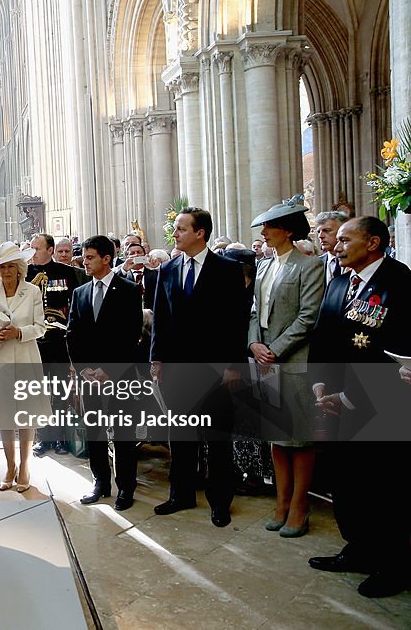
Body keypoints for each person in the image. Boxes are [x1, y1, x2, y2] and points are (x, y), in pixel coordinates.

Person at [307, 217, 411, 597]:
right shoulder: (339, 280)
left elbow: (397, 355)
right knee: (347, 484)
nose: (336, 244)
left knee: (383, 489)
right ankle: (359, 549)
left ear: (372, 243)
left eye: (345, 239)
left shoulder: (399, 283)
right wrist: (319, 386)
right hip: (335, 405)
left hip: (381, 409)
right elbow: (322, 338)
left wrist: (348, 398)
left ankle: (393, 565)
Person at [150, 207, 249, 527]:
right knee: (180, 436)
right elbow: (160, 320)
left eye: (180, 229)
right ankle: (181, 494)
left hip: (216, 370)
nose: (174, 235)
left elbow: (236, 323)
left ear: (200, 233)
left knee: (217, 439)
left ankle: (220, 502)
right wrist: (157, 358)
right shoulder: (167, 269)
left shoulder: (227, 269)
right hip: (178, 370)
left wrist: (234, 366)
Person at [248, 196, 325, 538]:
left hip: (293, 361)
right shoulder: (263, 266)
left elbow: (308, 317)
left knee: (300, 438)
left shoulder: (309, 265)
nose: (263, 232)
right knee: (276, 438)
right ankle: (280, 503)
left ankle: (299, 505)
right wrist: (254, 345)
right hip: (265, 362)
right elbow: (253, 312)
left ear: (287, 230)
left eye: (268, 226)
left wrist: (274, 349)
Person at [67, 236, 143, 510]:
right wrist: (86, 369)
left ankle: (126, 487)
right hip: (89, 378)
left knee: (123, 433)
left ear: (106, 259)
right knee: (95, 432)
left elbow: (131, 334)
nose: (84, 262)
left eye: (89, 258)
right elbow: (72, 335)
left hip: (119, 376)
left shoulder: (129, 290)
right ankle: (100, 483)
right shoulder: (80, 292)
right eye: (84, 258)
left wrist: (108, 371)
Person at [0, 242, 46, 492]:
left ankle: (25, 466)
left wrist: (20, 332)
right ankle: (10, 465)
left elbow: (40, 327)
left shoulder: (32, 291)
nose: (6, 272)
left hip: (25, 355)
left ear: (19, 268)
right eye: (2, 267)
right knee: (6, 415)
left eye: (10, 267)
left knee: (25, 414)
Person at [27, 233, 87, 456]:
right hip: (34, 343)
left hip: (59, 342)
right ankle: (44, 438)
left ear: (49, 250)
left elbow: (75, 305)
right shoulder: (26, 274)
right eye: (31, 248)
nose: (32, 252)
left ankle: (61, 437)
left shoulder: (67, 273)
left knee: (60, 391)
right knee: (38, 393)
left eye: (37, 248)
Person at [315, 210, 348, 287]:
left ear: (342, 231)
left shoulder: (356, 260)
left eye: (327, 230)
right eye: (318, 231)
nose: (320, 236)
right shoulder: (317, 264)